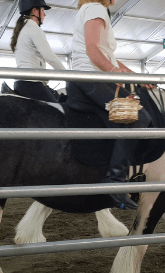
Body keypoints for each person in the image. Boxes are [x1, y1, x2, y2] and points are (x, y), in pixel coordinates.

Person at [66, 0, 157, 210]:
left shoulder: (89, 10)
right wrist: (112, 71)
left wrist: (137, 78)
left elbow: (108, 56)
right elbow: (92, 49)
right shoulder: (96, 9)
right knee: (139, 118)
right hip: (90, 79)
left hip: (88, 79)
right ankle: (114, 180)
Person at [10, 0, 66, 102]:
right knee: (57, 111)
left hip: (22, 83)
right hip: (32, 83)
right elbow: (50, 57)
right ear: (35, 11)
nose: (44, 15)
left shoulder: (23, 29)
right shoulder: (33, 28)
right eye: (43, 10)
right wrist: (68, 76)